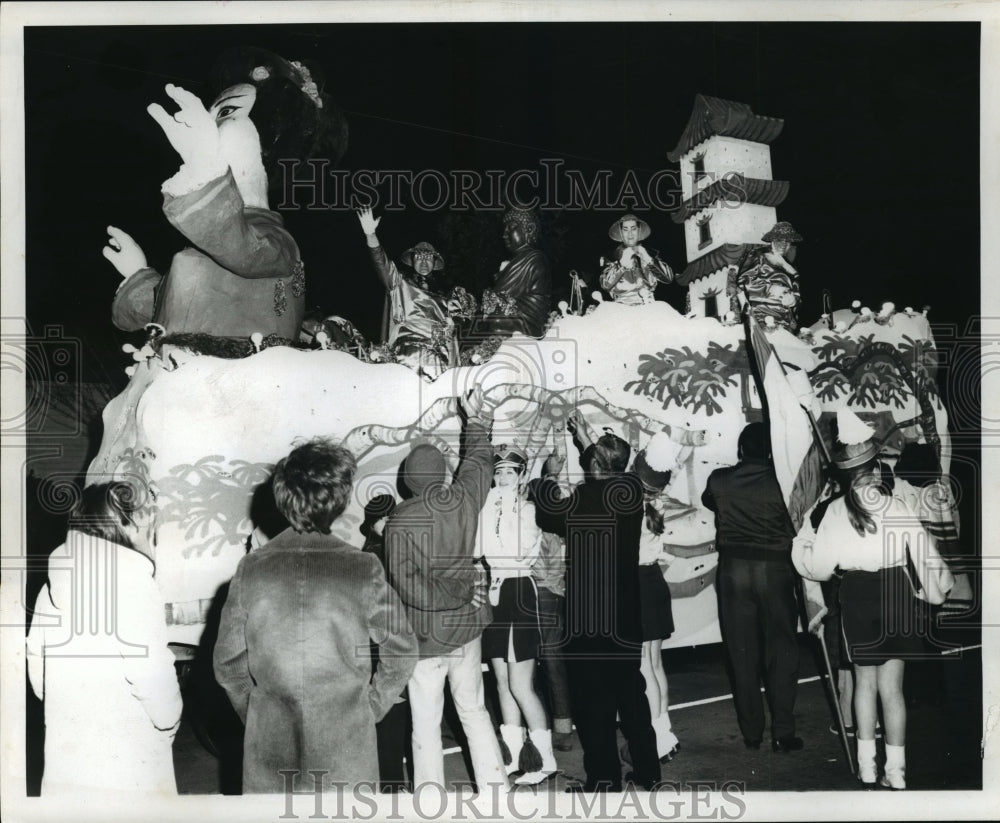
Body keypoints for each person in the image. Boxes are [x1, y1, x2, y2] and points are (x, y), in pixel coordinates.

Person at [213, 438, 417, 793]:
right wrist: (371, 707)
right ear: (338, 501)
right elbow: (402, 651)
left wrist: (260, 715)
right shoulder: (362, 566)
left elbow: (229, 666)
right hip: (347, 747)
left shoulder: (251, 569)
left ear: (281, 498)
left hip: (269, 751)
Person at [106, 48, 347, 341]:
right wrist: (138, 274)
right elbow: (172, 304)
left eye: (226, 113)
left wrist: (203, 169)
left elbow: (242, 248)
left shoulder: (276, 244)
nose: (208, 126)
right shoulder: (214, 238)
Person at [792, 411, 954, 788]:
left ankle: (867, 766)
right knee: (893, 689)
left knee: (864, 685)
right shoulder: (897, 506)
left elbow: (818, 569)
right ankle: (895, 772)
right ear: (875, 467)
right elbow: (925, 556)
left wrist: (801, 543)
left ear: (845, 473)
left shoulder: (834, 511)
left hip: (859, 594)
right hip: (897, 591)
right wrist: (936, 588)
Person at [383, 388, 509, 793]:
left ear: (407, 481)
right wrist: (477, 422)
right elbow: (478, 463)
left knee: (426, 724)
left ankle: (430, 798)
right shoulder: (462, 500)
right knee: (474, 711)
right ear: (439, 475)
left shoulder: (399, 523)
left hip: (426, 638)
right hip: (466, 631)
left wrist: (452, 594)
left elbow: (408, 587)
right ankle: (496, 788)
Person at [26, 482, 183, 797]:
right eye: (147, 525)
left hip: (67, 743)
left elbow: (35, 666)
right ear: (125, 524)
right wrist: (169, 721)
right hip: (128, 749)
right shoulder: (133, 581)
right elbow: (151, 672)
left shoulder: (50, 586)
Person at [535, 430, 661, 792]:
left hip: (589, 620)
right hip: (625, 615)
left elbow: (547, 513)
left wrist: (548, 475)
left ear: (592, 465)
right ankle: (649, 773)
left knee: (594, 703)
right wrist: (584, 436)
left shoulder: (582, 498)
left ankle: (605, 780)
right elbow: (608, 463)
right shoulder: (632, 491)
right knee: (632, 696)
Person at [701, 422, 802, 753]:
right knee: (782, 651)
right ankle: (783, 733)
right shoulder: (785, 483)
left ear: (741, 450)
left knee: (741, 653)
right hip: (775, 570)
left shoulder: (719, 480)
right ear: (771, 451)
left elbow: (710, 501)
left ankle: (752, 733)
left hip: (734, 571)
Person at [476, 445, 557, 785]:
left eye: (511, 471)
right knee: (500, 682)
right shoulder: (487, 507)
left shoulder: (528, 509)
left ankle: (544, 759)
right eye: (499, 471)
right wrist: (488, 508)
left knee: (521, 683)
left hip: (519, 589)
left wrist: (505, 509)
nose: (503, 477)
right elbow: (478, 550)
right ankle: (513, 757)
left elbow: (516, 549)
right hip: (495, 592)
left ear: (522, 475)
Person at [356, 207, 458, 379]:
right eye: (419, 257)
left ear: (434, 263)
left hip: (438, 356)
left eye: (428, 258)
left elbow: (454, 332)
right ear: (412, 261)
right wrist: (370, 234)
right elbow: (382, 263)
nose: (424, 262)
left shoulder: (445, 298)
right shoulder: (399, 283)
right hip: (408, 351)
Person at [630, 435, 682, 763]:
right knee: (655, 662)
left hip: (636, 584)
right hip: (654, 582)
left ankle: (656, 738)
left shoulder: (632, 506)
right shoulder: (658, 503)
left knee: (643, 666)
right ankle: (665, 731)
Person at [359, 493, 411, 793]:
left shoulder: (375, 553)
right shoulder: (377, 556)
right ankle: (392, 782)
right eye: (383, 519)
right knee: (392, 704)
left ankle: (388, 779)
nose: (388, 523)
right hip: (383, 640)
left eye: (392, 518)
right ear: (373, 524)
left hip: (382, 639)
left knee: (388, 704)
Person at [468, 207, 552, 340]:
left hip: (530, 321)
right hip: (515, 315)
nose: (504, 234)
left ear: (529, 229)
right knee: (484, 322)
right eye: (504, 229)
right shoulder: (520, 259)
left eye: (511, 227)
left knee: (493, 320)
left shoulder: (533, 258)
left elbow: (499, 294)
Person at [728, 221, 802, 331]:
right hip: (761, 316)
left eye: (788, 241)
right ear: (772, 239)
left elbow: (797, 293)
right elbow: (741, 283)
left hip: (785, 319)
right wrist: (771, 290)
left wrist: (794, 300)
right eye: (780, 240)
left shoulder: (791, 267)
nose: (784, 244)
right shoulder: (758, 255)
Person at [599, 214, 674, 305]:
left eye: (633, 229)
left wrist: (648, 259)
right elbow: (605, 285)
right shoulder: (611, 256)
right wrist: (621, 265)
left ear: (639, 231)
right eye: (625, 229)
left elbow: (668, 279)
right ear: (621, 232)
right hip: (620, 309)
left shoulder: (651, 253)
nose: (630, 233)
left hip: (648, 306)